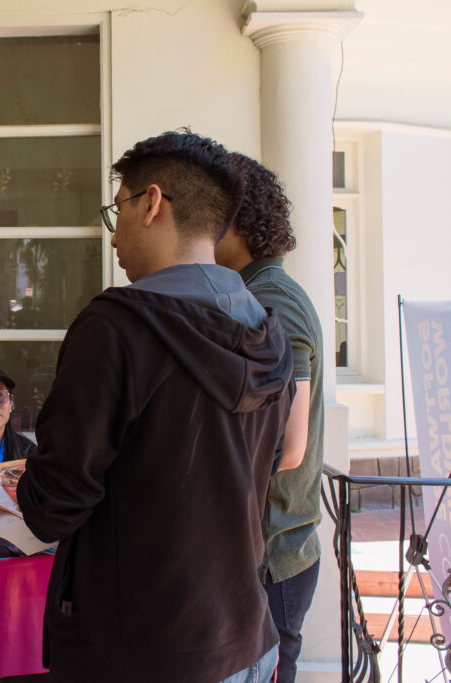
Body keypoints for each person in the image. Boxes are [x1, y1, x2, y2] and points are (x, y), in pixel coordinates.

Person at [16, 130, 293, 682]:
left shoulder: (115, 330)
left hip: (141, 649)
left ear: (152, 203)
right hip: (247, 638)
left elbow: (52, 508)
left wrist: (25, 481)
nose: (114, 237)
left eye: (116, 209)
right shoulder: (269, 332)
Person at [216, 152, 325, 683]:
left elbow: (291, 446)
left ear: (236, 221)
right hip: (271, 549)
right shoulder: (258, 290)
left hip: (275, 554)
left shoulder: (270, 296)